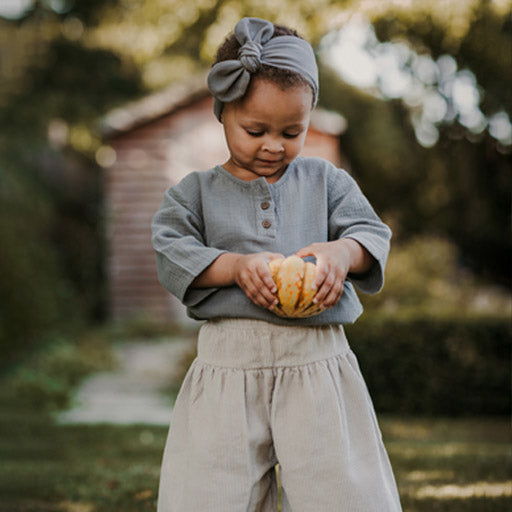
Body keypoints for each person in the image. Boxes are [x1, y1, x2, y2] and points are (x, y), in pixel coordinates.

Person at [151, 17, 402, 512]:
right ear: (222, 114)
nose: (273, 145)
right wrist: (234, 267)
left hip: (316, 362)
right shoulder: (194, 194)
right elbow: (169, 247)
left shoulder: (325, 180)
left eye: (293, 131)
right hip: (228, 366)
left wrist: (340, 253)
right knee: (211, 492)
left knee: (342, 490)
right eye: (255, 129)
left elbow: (371, 233)